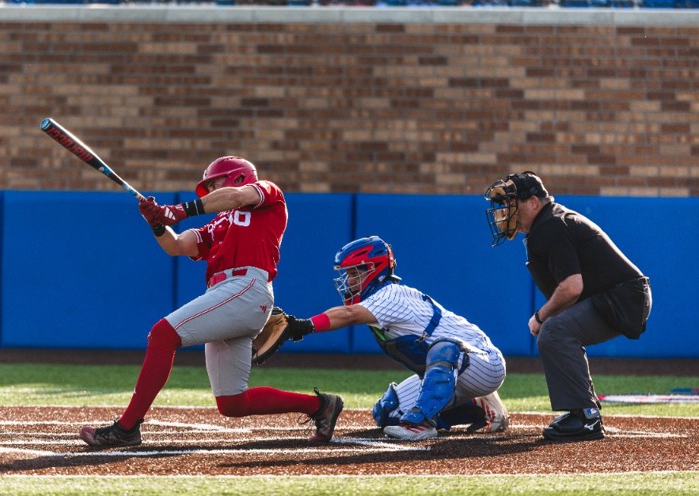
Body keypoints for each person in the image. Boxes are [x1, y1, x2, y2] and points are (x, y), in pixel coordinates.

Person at [78, 156, 343, 448]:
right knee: (232, 402)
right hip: (226, 294)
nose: (212, 189)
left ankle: (127, 428)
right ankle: (321, 406)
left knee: (162, 335)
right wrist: (156, 222)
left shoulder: (266, 193)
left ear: (239, 177)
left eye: (215, 182)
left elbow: (235, 196)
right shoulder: (219, 222)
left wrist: (177, 210)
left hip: (246, 286)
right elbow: (176, 245)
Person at [282, 236, 508, 441]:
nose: (349, 281)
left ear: (373, 269)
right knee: (387, 412)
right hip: (458, 370)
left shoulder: (390, 295)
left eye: (353, 273)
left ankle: (422, 424)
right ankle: (478, 406)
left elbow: (348, 315)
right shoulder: (378, 298)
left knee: (444, 348)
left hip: (484, 365)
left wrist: (305, 325)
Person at [484, 171, 652, 442]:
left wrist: (540, 316)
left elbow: (572, 286)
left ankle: (585, 416)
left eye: (511, 202)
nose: (505, 210)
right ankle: (585, 410)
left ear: (534, 203)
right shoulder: (546, 224)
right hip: (620, 295)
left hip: (622, 298)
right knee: (559, 331)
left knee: (554, 331)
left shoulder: (550, 225)